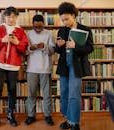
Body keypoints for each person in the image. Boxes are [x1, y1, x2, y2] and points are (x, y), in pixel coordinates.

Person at [55, 2, 94, 130]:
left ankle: (75, 122)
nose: (64, 22)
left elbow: (90, 48)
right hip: (64, 65)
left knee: (74, 94)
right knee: (65, 93)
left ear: (73, 15)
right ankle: (68, 119)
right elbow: (58, 50)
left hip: (76, 66)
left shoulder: (85, 29)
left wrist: (75, 46)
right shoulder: (61, 30)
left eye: (66, 19)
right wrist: (58, 46)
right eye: (62, 20)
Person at [0, 6, 28, 129]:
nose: (11, 19)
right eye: (9, 16)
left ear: (16, 17)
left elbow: (23, 49)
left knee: (12, 90)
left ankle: (11, 115)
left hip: (13, 66)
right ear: (4, 17)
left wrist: (17, 43)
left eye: (13, 17)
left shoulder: (21, 31)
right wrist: (2, 40)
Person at [24, 14, 55, 126]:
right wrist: (30, 48)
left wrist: (45, 46)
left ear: (43, 25)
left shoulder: (49, 33)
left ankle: (48, 116)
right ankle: (31, 116)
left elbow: (52, 51)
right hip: (31, 68)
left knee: (47, 95)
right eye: (35, 26)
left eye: (40, 27)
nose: (38, 29)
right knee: (31, 94)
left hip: (45, 68)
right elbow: (24, 51)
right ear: (32, 24)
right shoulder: (27, 34)